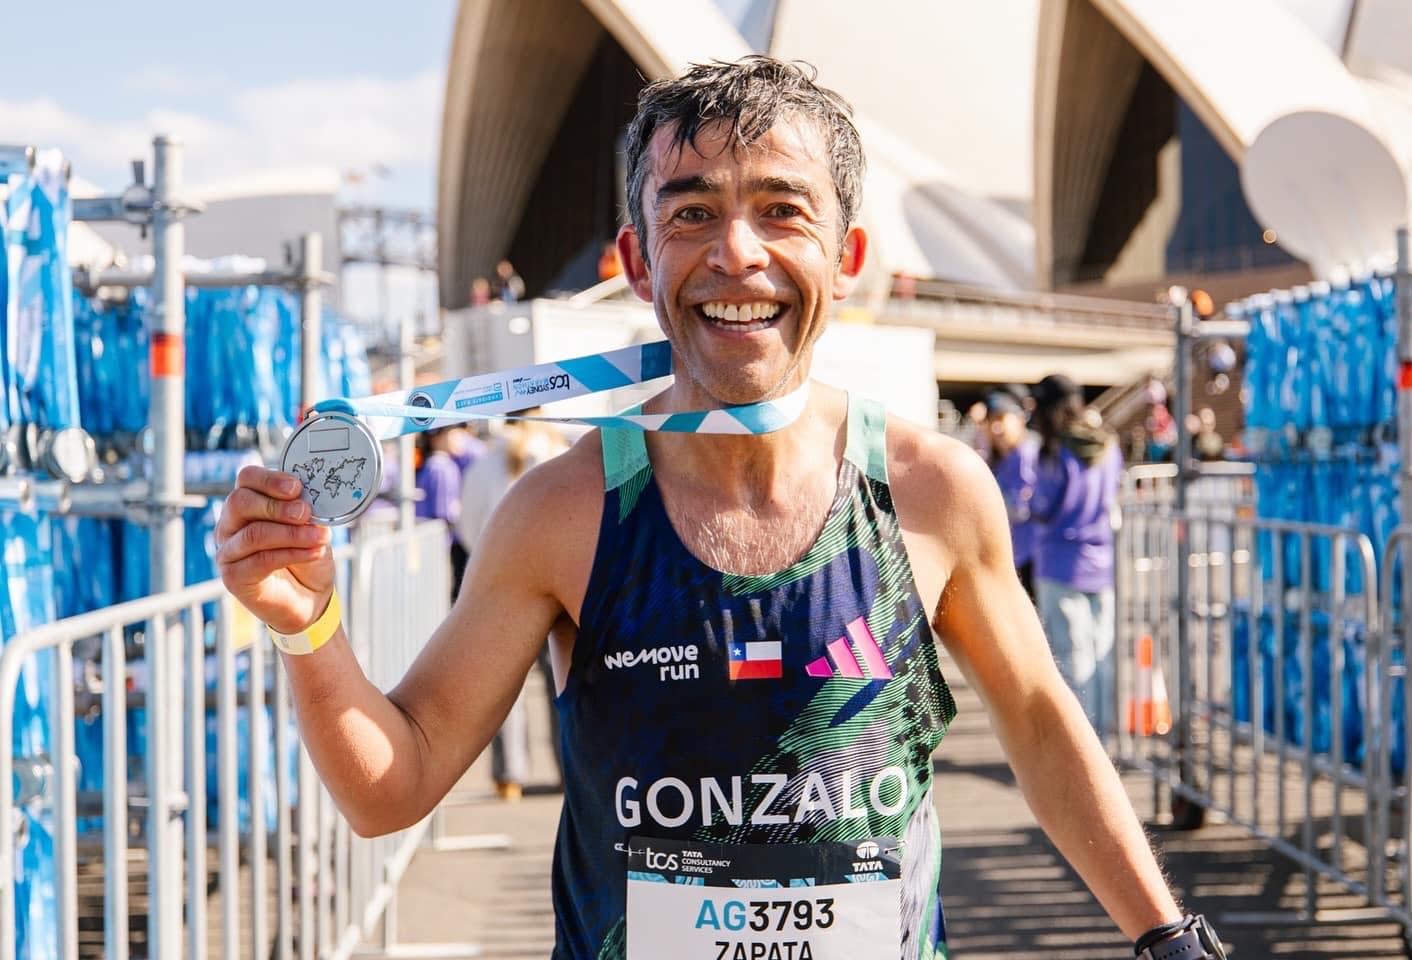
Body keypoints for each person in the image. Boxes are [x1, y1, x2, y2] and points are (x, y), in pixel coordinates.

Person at [216, 57, 1221, 960]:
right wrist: (310, 627)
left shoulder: (930, 489)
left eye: (782, 210)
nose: (737, 252)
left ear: (848, 255)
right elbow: (393, 786)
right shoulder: (564, 510)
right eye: (691, 213)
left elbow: (1042, 723)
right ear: (639, 261)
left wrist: (1168, 940)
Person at [458, 415, 569, 801]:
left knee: (504, 691)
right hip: (562, 586)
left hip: (500, 585)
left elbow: (467, 528)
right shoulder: (561, 454)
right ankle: (568, 769)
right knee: (564, 684)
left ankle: (509, 776)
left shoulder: (481, 465)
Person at [1028, 373, 1125, 738]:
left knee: (1072, 657)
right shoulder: (1108, 445)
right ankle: (1102, 734)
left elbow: (1043, 504)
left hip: (1061, 560)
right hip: (1101, 559)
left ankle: (1080, 742)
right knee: (1102, 656)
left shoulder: (1055, 451)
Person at [983, 388, 1038, 598]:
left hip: (1030, 557)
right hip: (1011, 556)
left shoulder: (1027, 453)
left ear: (1019, 419)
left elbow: (1020, 508)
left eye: (1001, 418)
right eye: (990, 421)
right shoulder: (1000, 458)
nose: (996, 428)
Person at [414, 423, 474, 601]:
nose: (461, 436)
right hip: (440, 545)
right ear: (437, 436)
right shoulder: (441, 467)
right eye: (454, 431)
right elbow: (446, 513)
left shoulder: (435, 464)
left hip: (430, 543)